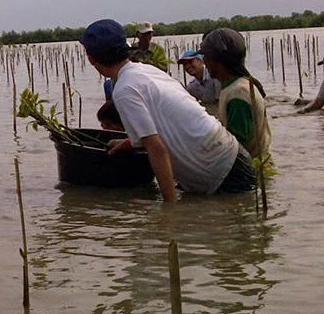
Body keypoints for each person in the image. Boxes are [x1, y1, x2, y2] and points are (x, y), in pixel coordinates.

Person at [80, 19, 256, 202]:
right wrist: (130, 142)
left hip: (224, 172)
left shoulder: (124, 89)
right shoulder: (145, 70)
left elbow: (156, 148)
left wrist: (169, 211)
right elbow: (167, 124)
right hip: (230, 157)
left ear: (91, 57)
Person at [199, 28, 272, 159]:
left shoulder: (237, 93)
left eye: (206, 57)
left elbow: (237, 147)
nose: (204, 61)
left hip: (250, 173)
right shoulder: (237, 86)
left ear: (217, 61)